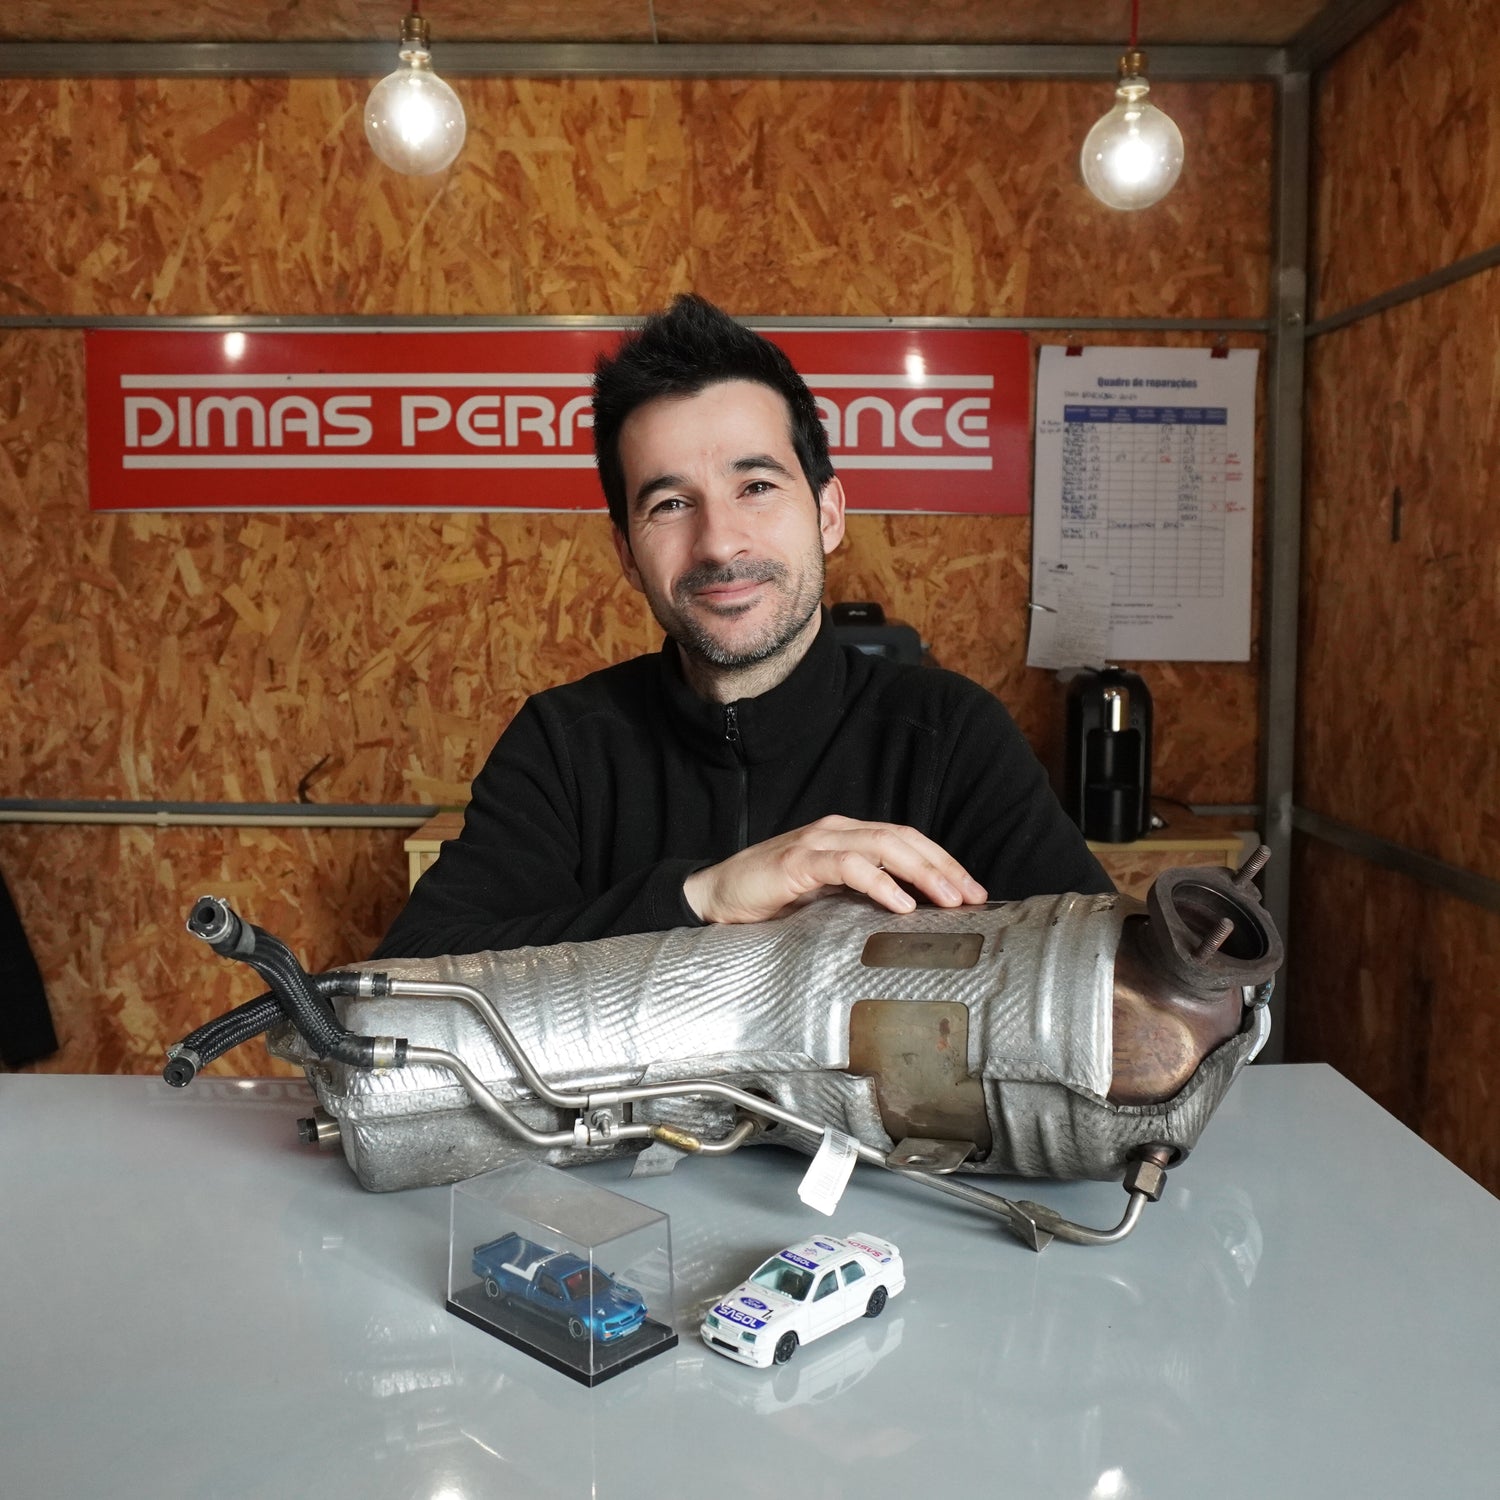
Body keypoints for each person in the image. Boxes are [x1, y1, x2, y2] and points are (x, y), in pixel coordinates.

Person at [374, 295, 1109, 960]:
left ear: (827, 515)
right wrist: (700, 897)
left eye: (756, 486)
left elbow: (1099, 976)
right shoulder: (564, 745)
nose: (720, 543)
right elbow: (410, 976)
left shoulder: (949, 735)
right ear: (627, 553)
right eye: (670, 504)